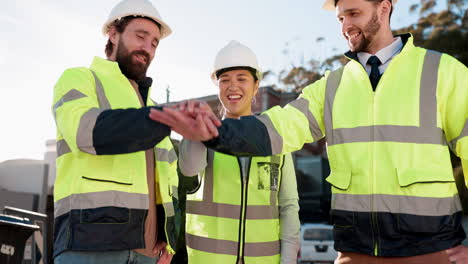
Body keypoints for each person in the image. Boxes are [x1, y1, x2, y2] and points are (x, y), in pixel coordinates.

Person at [149, 0, 468, 263]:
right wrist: (210, 130)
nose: (345, 26)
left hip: (432, 252)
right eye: (341, 17)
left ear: (384, 8)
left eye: (354, 13)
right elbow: (280, 126)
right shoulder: (332, 87)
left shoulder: (442, 73)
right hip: (355, 254)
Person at [51, 0, 186, 263]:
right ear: (113, 33)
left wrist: (169, 241)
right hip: (89, 244)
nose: (147, 47)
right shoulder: (79, 79)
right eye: (141, 36)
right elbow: (84, 131)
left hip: (148, 254)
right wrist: (165, 118)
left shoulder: (153, 108)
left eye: (155, 42)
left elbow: (170, 182)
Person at [178, 41, 300, 264]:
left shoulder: (277, 139)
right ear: (218, 87)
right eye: (225, 80)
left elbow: (289, 206)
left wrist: (289, 260)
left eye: (241, 79)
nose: (232, 87)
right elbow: (189, 168)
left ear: (256, 86)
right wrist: (198, 127)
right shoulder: (205, 134)